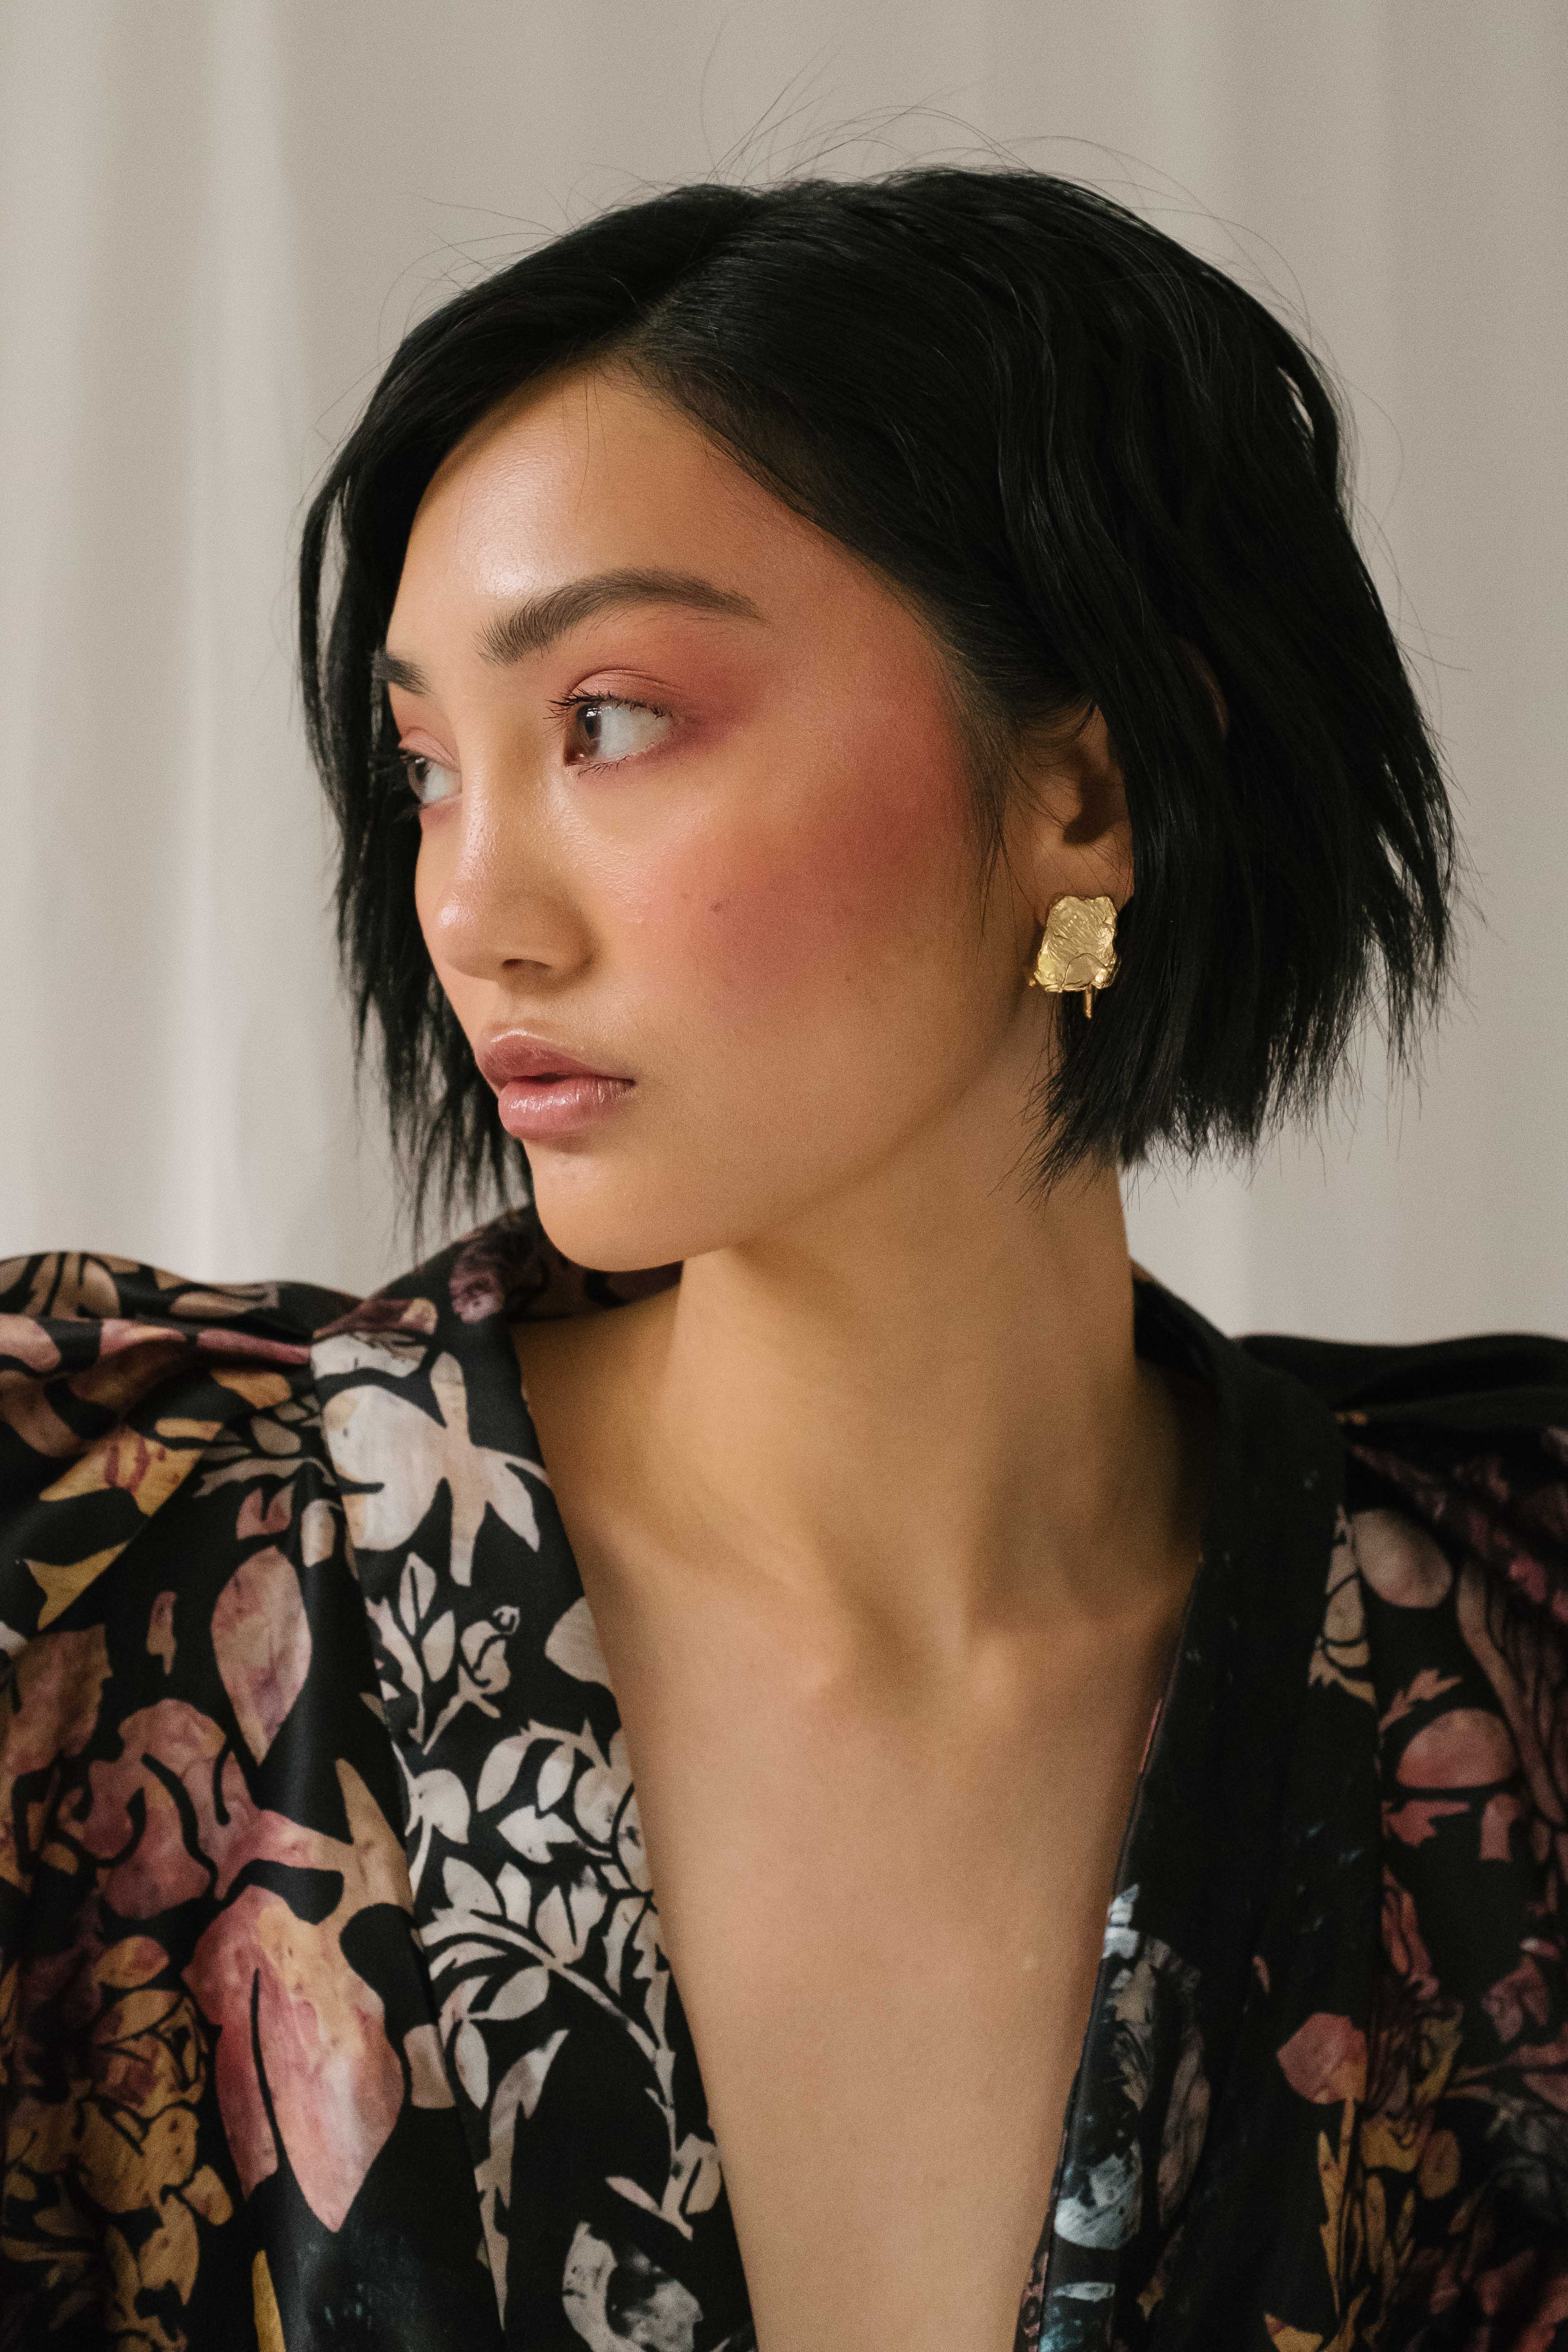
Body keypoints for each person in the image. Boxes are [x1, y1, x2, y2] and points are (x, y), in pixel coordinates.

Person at [1, 166, 1564, 2352]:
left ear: (1087, 792)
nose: (469, 908)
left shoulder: (1501, 1668)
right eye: (426, 767)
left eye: (609, 720)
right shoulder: (98, 1589)